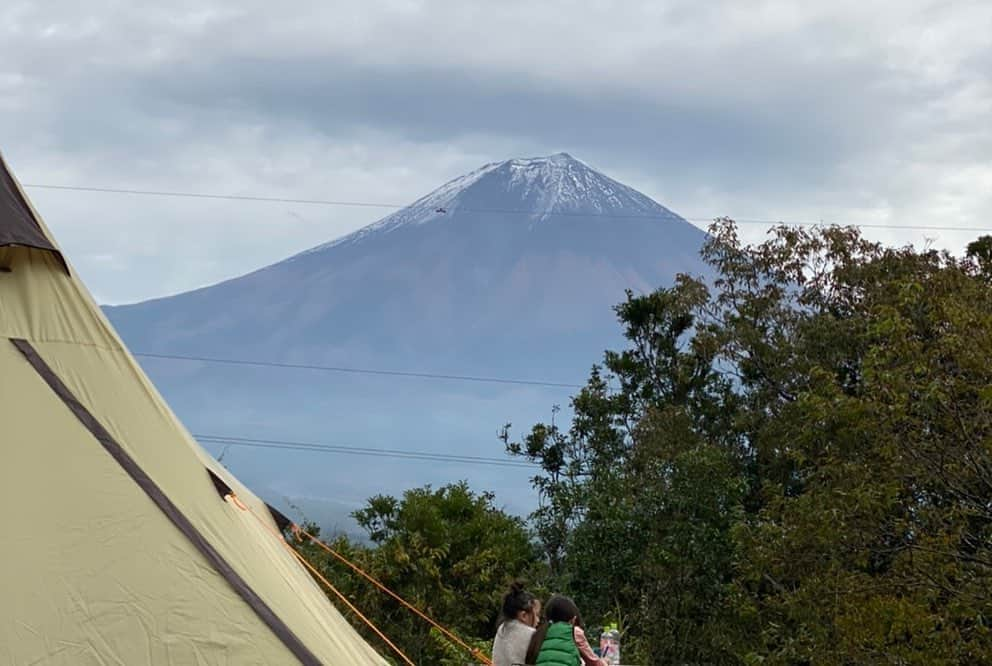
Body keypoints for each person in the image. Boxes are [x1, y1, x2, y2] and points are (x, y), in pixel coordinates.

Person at [525, 595, 607, 666]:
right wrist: (605, 662)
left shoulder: (541, 632)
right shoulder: (573, 631)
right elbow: (593, 663)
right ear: (573, 620)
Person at [492, 581, 542, 666]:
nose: (538, 620)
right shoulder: (531, 635)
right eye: (536, 615)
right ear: (524, 615)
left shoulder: (502, 629)